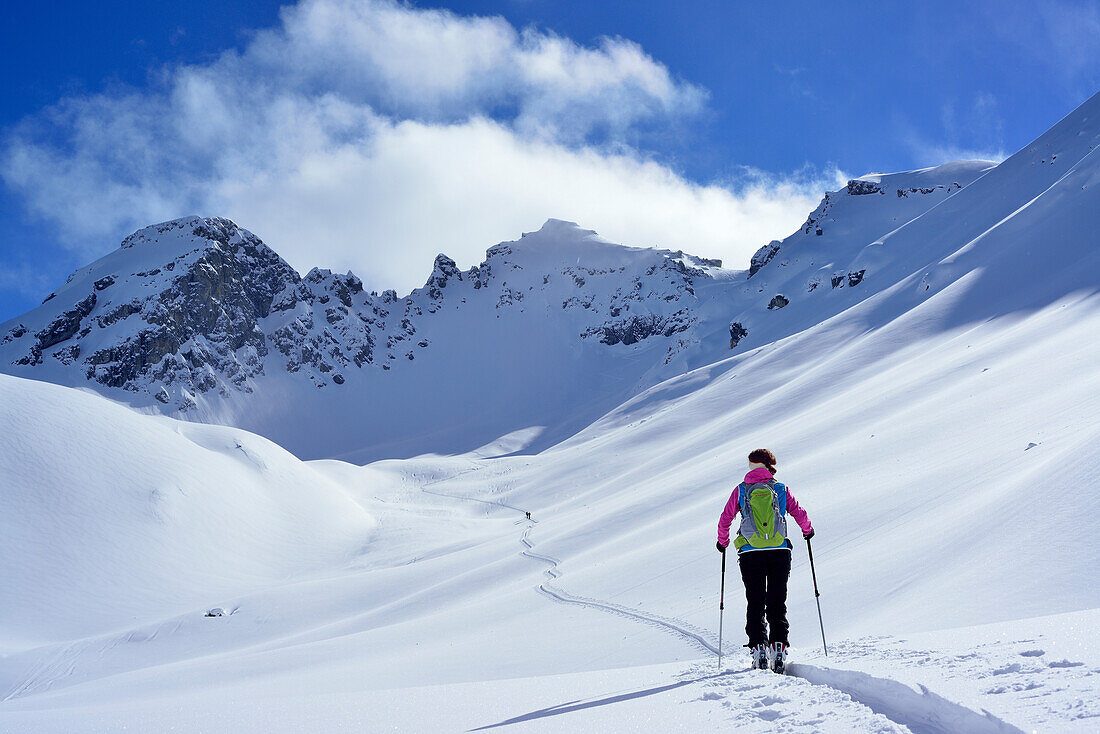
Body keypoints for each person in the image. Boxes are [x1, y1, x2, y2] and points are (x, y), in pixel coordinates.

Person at [716, 449, 814, 673]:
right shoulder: (780, 488)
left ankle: (759, 649)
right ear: (769, 466)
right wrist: (807, 531)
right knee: (777, 601)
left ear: (752, 466)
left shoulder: (741, 490)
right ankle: (778, 647)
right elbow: (799, 512)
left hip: (750, 553)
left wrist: (722, 541)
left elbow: (726, 518)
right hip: (779, 551)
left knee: (755, 601)